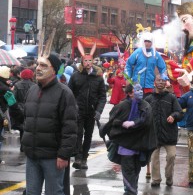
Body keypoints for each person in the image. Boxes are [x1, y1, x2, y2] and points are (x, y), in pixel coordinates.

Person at [21, 53, 78, 195]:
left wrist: (64, 155)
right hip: (32, 155)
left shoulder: (65, 93)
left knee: (54, 192)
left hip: (53, 157)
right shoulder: (33, 90)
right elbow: (27, 120)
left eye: (44, 65)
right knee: (31, 192)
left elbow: (69, 128)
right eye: (38, 64)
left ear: (54, 70)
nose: (38, 68)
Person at [100, 83, 157, 195]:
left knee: (136, 170)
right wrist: (121, 124)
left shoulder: (145, 105)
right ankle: (130, 192)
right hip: (126, 147)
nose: (141, 92)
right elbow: (113, 120)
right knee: (128, 171)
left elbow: (147, 122)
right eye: (137, 90)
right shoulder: (122, 106)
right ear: (130, 93)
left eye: (141, 90)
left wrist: (134, 123)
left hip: (139, 146)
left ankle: (132, 191)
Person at [68, 42, 107, 170]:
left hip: (91, 112)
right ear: (82, 61)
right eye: (86, 61)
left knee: (88, 136)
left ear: (93, 61)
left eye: (90, 60)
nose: (88, 63)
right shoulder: (75, 76)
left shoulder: (98, 78)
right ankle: (78, 158)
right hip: (78, 111)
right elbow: (70, 93)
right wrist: (73, 107)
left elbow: (102, 96)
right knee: (78, 134)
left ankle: (84, 158)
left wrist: (98, 111)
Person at [145, 74, 183, 187]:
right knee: (154, 158)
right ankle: (156, 179)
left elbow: (180, 113)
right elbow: (143, 115)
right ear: (154, 83)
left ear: (165, 83)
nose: (160, 82)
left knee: (171, 156)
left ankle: (169, 176)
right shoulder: (148, 98)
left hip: (169, 134)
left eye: (163, 80)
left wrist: (173, 116)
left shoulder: (171, 97)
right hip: (154, 135)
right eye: (158, 80)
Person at [125, 31, 167, 97]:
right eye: (145, 41)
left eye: (149, 41)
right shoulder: (137, 52)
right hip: (136, 85)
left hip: (149, 86)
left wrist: (164, 79)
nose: (147, 43)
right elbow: (128, 65)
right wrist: (127, 78)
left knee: (148, 105)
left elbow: (163, 68)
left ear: (152, 42)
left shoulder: (156, 54)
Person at [11, 68, 35, 151]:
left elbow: (14, 97)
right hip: (31, 108)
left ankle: (22, 145)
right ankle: (27, 145)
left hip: (20, 107)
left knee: (22, 127)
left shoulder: (17, 85)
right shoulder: (34, 85)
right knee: (29, 127)